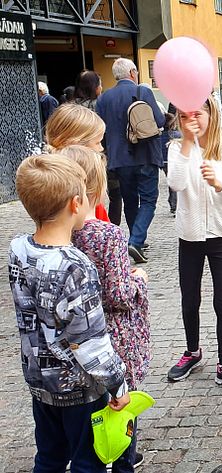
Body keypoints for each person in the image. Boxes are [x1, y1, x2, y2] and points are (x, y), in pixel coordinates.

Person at [8, 154, 130, 472]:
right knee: (88, 462)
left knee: (48, 456)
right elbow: (89, 341)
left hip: (39, 382)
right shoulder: (76, 267)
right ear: (76, 204)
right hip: (78, 389)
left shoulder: (18, 249)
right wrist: (118, 383)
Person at [63, 145, 150, 472]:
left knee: (90, 423)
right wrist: (139, 279)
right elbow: (119, 294)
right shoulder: (107, 235)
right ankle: (125, 464)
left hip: (77, 349)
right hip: (114, 342)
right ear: (96, 188)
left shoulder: (63, 235)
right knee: (121, 419)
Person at [165, 96, 222, 391]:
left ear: (212, 115)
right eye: (186, 115)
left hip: (220, 235)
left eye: (198, 114)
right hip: (189, 235)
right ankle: (192, 351)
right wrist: (186, 143)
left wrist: (219, 185)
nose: (193, 120)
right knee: (190, 298)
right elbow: (175, 184)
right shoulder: (176, 148)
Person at [97, 58, 165, 264]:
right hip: (145, 155)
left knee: (129, 201)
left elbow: (100, 130)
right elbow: (159, 121)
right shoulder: (143, 92)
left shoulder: (104, 98)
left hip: (119, 159)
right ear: (133, 72)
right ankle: (135, 241)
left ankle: (138, 240)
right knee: (148, 200)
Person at [44, 103, 111, 223]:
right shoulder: (86, 198)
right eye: (97, 142)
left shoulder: (49, 187)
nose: (101, 148)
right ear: (78, 145)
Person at [160, 112, 181, 214]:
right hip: (172, 161)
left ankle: (173, 203)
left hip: (163, 161)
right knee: (175, 183)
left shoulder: (159, 136)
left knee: (171, 181)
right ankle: (175, 204)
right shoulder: (176, 135)